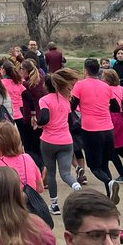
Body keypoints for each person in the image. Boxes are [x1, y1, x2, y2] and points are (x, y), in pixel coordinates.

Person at [71, 58, 121, 200]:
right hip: (108, 130)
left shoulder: (80, 85)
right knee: (104, 164)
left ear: (85, 70)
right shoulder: (106, 86)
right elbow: (116, 108)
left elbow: (71, 107)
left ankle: (109, 182)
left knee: (94, 166)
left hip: (91, 130)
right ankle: (110, 194)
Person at [37, 68, 82, 215]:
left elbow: (45, 118)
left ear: (46, 85)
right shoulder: (66, 100)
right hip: (66, 140)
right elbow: (69, 120)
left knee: (51, 173)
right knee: (65, 173)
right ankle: (76, 186)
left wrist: (38, 122)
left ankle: (54, 205)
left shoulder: (44, 100)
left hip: (49, 140)